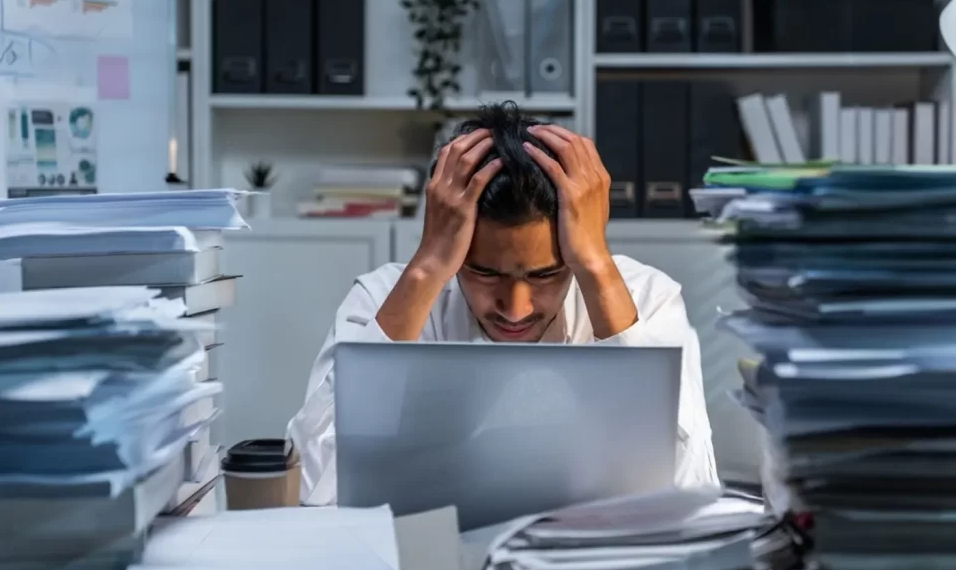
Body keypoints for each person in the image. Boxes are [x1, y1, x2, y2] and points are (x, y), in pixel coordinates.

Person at [288, 102, 719, 506]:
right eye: (485, 273)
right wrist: (426, 268)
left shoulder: (648, 299)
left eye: (545, 274)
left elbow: (689, 488)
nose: (515, 309)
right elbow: (313, 484)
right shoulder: (383, 301)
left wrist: (595, 264)